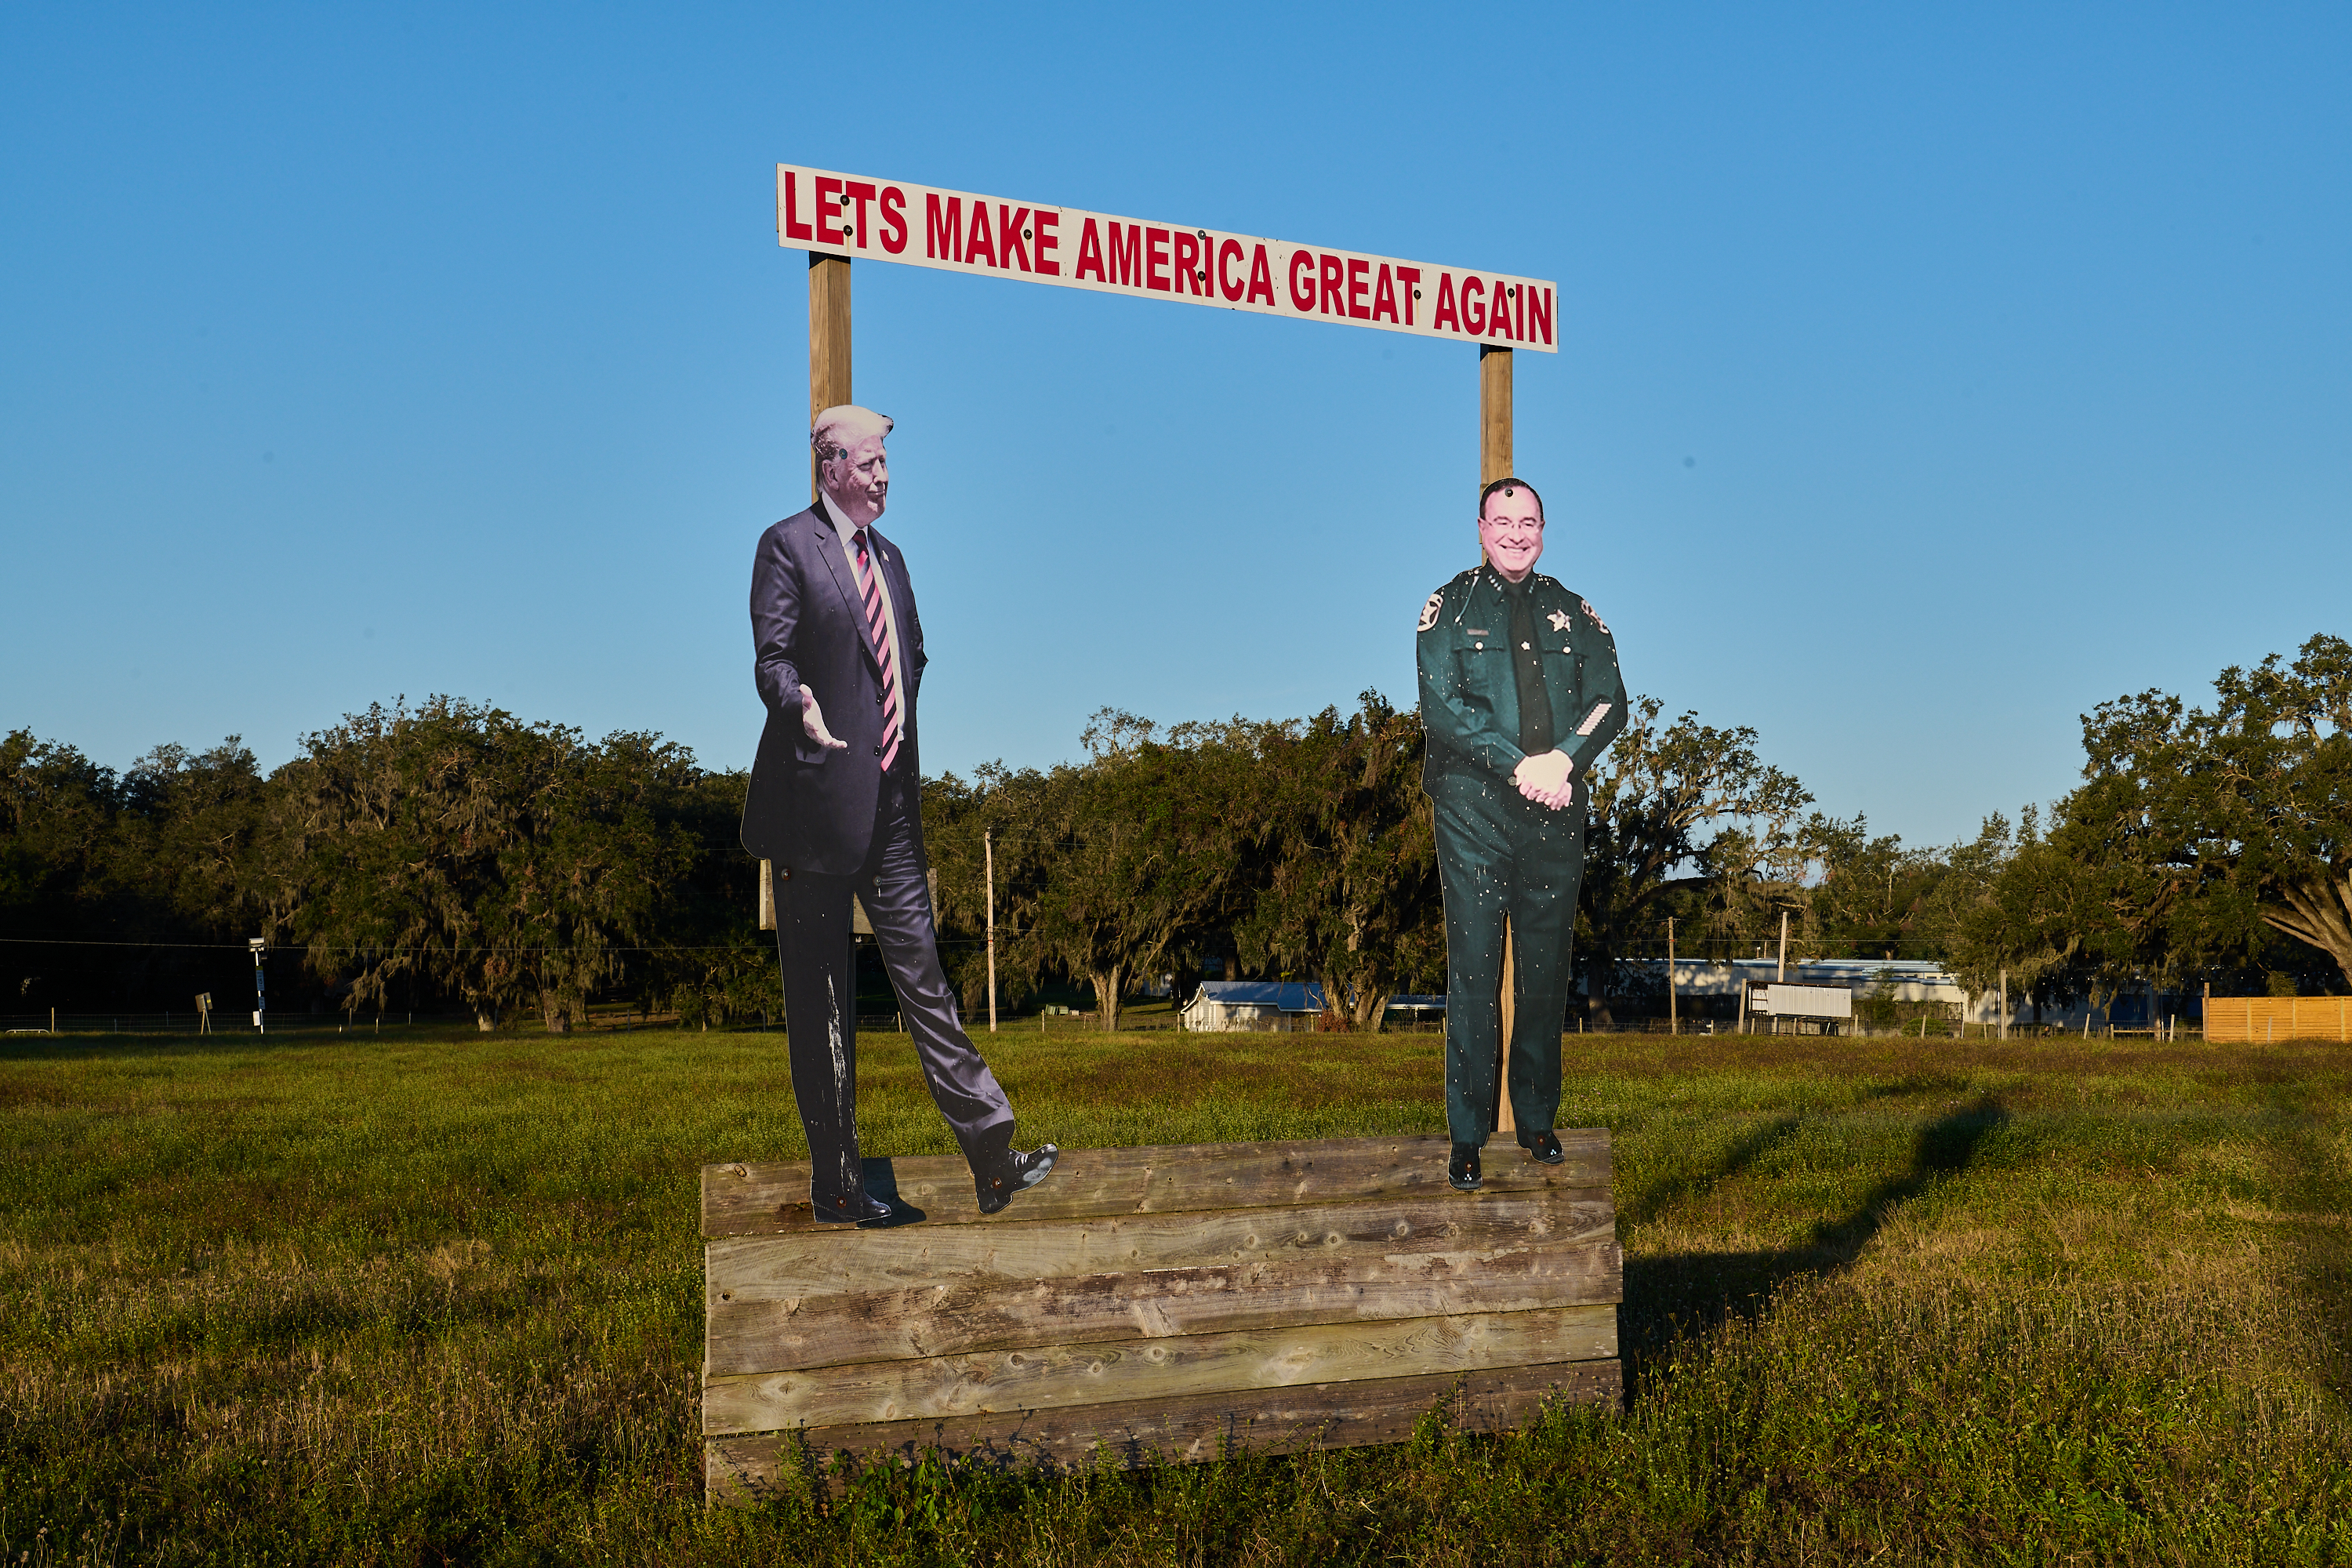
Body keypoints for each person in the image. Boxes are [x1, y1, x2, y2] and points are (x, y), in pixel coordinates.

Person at [740, 405, 1058, 1225]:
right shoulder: (786, 546)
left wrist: (889, 730)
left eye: (886, 463)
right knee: (825, 1009)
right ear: (829, 467)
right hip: (811, 808)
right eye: (870, 463)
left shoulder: (895, 559)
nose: (884, 476)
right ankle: (838, 1182)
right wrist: (801, 701)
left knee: (927, 983)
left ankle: (992, 1157)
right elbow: (772, 657)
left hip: (890, 805)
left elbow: (910, 650)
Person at [1415, 477, 1628, 1192]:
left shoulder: (1575, 612)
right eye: (1502, 520)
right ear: (1479, 528)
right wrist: (1520, 766)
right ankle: (1469, 1134)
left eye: (1528, 520)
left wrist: (1564, 759)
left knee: (1544, 975)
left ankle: (1537, 1119)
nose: (1516, 532)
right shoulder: (1448, 609)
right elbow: (1442, 711)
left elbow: (1612, 700)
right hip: (1475, 814)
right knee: (1474, 972)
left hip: (1556, 810)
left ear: (1544, 530)